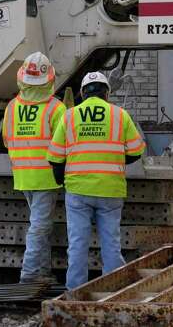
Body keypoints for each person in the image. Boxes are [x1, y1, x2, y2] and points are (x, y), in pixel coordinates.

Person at [46, 71, 145, 289]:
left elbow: (55, 156)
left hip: (78, 190)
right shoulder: (120, 115)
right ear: (107, 93)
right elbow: (137, 151)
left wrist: (62, 180)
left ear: (82, 93)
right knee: (111, 243)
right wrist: (116, 159)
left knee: (78, 243)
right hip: (111, 190)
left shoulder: (70, 115)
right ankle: (113, 289)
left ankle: (75, 290)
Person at [1, 52, 66, 284]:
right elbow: (64, 145)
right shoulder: (56, 108)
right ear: (49, 79)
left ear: (22, 78)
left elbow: (7, 140)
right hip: (47, 177)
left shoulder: (12, 107)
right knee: (39, 227)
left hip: (23, 176)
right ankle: (29, 275)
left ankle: (42, 273)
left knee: (41, 226)